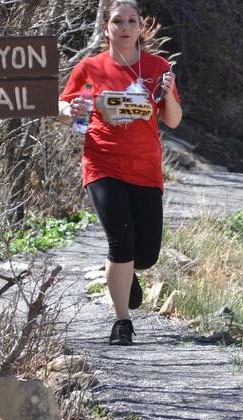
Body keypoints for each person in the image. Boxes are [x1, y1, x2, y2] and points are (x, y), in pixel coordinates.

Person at [58, 0, 182, 346]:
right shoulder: (90, 68)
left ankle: (127, 273)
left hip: (145, 169)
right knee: (120, 240)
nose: (124, 27)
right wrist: (72, 108)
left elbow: (172, 119)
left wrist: (169, 93)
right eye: (117, 21)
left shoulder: (157, 67)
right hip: (103, 164)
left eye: (131, 21)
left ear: (140, 26)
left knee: (146, 255)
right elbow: (66, 109)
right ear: (106, 27)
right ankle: (122, 322)